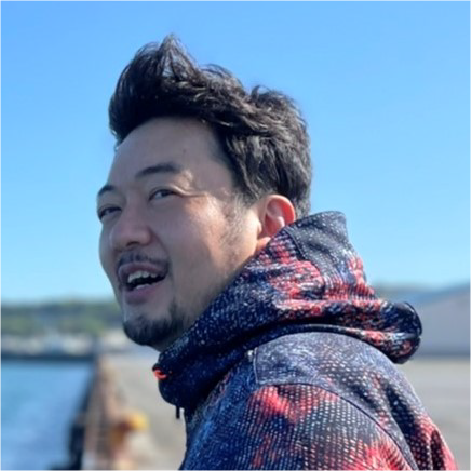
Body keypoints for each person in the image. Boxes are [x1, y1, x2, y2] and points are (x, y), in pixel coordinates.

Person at [97, 35, 457, 470]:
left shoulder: (287, 411)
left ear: (269, 223)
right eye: (109, 209)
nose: (122, 234)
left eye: (162, 193)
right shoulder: (279, 374)